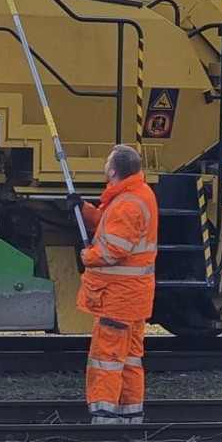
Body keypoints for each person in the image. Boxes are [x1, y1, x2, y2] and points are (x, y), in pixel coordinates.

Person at [72, 144, 158, 424]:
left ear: (112, 171)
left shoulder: (127, 203)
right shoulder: (136, 195)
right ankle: (131, 416)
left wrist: (88, 256)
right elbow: (109, 225)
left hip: (118, 297)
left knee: (106, 358)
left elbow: (112, 251)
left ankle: (105, 417)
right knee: (131, 359)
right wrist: (83, 209)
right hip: (134, 297)